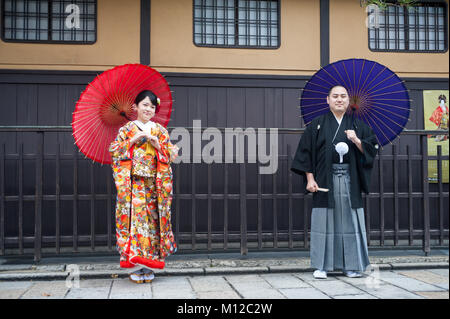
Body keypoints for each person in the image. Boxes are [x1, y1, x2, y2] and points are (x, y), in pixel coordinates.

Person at [291, 85, 379, 279]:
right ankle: (322, 266)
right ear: (327, 100)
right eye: (335, 96)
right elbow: (305, 154)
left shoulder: (358, 127)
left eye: (343, 96)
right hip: (324, 180)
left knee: (350, 223)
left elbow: (372, 150)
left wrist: (357, 141)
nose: (339, 99)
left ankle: (351, 266)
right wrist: (310, 179)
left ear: (349, 101)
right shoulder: (317, 125)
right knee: (324, 222)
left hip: (350, 180)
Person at [109, 90, 179, 284]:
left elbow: (171, 155)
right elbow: (114, 151)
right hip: (134, 183)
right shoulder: (126, 130)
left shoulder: (160, 130)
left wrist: (157, 145)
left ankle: (150, 265)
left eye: (152, 106)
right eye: (145, 105)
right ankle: (135, 266)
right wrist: (132, 141)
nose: (149, 109)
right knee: (135, 221)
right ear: (135, 107)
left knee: (154, 221)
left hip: (155, 184)